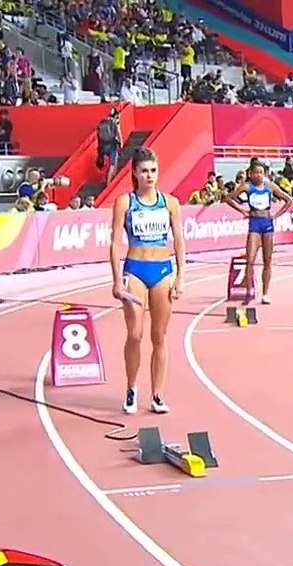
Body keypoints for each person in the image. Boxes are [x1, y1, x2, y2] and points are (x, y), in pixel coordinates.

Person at [108, 147, 186, 415]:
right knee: (135, 334)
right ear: (135, 173)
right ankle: (131, 388)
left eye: (153, 170)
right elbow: (116, 243)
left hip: (163, 270)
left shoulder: (170, 203)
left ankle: (157, 394)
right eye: (144, 171)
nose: (149, 175)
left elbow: (179, 241)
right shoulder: (125, 203)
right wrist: (117, 280)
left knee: (159, 336)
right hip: (135, 270)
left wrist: (180, 277)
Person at [225, 159, 293, 304]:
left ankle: (265, 293)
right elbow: (228, 198)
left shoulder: (270, 186)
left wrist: (276, 215)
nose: (258, 175)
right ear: (251, 173)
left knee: (267, 260)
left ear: (264, 174)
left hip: (267, 224)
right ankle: (249, 292)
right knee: (250, 259)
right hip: (254, 224)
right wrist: (242, 210)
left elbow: (288, 200)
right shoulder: (247, 187)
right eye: (256, 172)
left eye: (261, 173)